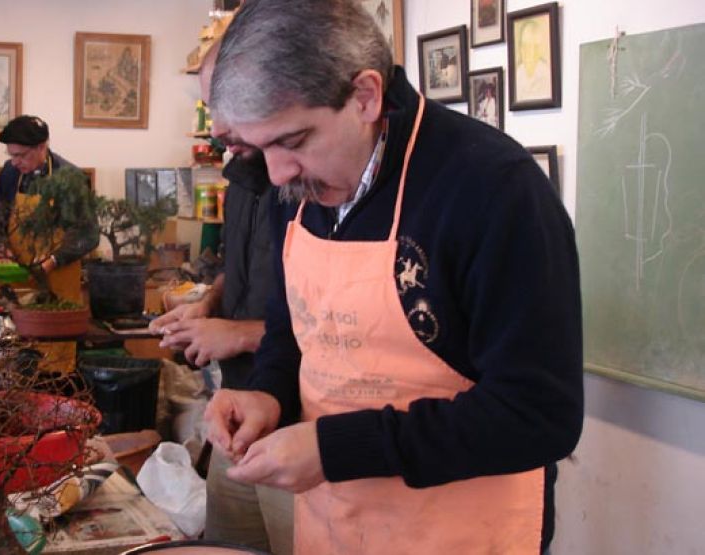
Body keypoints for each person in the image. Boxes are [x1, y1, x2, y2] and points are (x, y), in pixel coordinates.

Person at [203, 1, 583, 553]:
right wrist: (268, 395)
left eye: (292, 141)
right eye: (260, 147)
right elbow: (293, 334)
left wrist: (335, 449)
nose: (277, 172)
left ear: (365, 96)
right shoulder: (296, 190)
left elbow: (539, 415)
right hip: (337, 524)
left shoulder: (494, 190)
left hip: (462, 532)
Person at [148, 38, 293, 555]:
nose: (216, 130)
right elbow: (239, 267)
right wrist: (208, 303)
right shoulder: (242, 174)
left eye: (226, 108)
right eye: (211, 107)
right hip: (234, 410)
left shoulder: (305, 178)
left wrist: (239, 334)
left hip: (296, 422)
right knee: (230, 540)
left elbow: (328, 318)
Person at [0, 115, 98, 302]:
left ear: (41, 147)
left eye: (20, 155)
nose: (14, 162)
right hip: (17, 275)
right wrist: (1, 247)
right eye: (11, 155)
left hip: (58, 276)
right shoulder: (10, 173)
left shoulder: (70, 178)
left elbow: (89, 234)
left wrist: (52, 261)